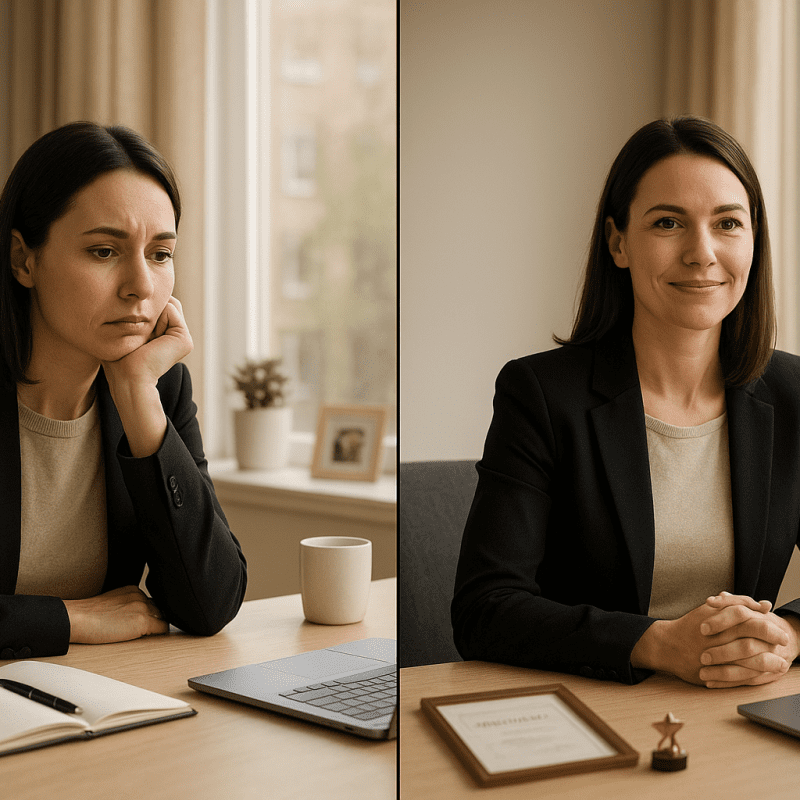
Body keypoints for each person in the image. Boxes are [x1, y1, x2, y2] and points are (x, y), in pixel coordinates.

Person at [451, 115, 800, 689]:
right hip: (591, 708)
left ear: (754, 240)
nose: (702, 252)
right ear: (618, 242)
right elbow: (484, 608)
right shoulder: (539, 395)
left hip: (732, 712)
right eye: (668, 223)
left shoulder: (792, 394)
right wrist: (659, 643)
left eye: (728, 223)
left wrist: (788, 635)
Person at [0, 121, 247, 659]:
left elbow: (210, 604)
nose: (141, 286)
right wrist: (70, 617)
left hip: (93, 701)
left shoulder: (158, 386)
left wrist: (138, 395)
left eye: (160, 254)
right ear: (24, 260)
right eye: (104, 252)